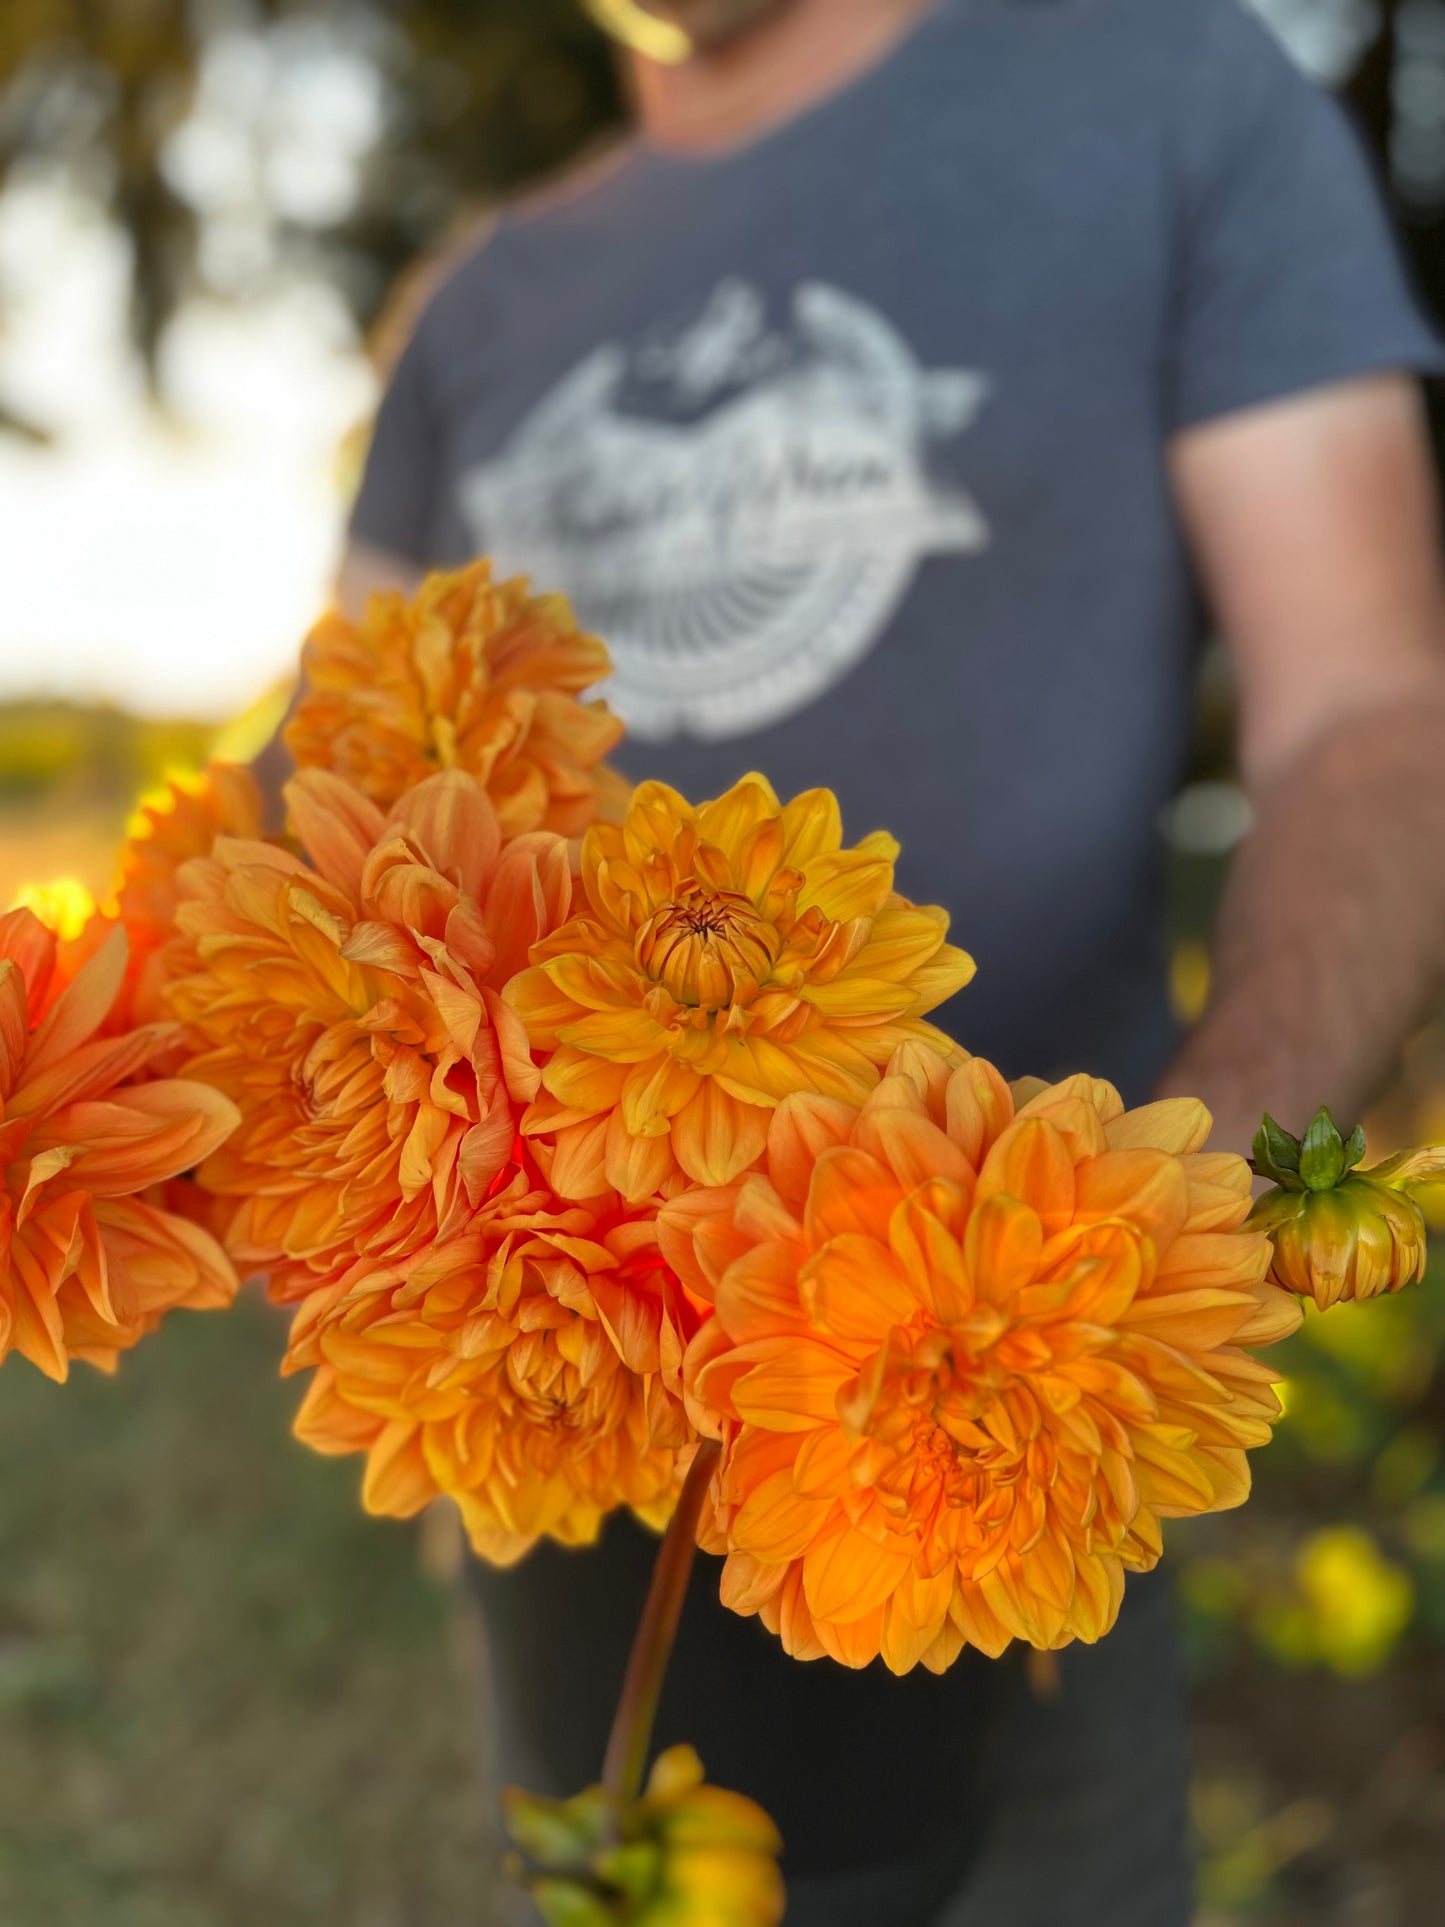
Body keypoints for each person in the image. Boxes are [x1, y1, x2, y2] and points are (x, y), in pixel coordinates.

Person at [332, 2, 1445, 1920]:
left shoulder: (1170, 98)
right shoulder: (476, 305)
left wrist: (1176, 1203)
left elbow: (1365, 707)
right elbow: (332, 791)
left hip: (1006, 1403)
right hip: (543, 1411)